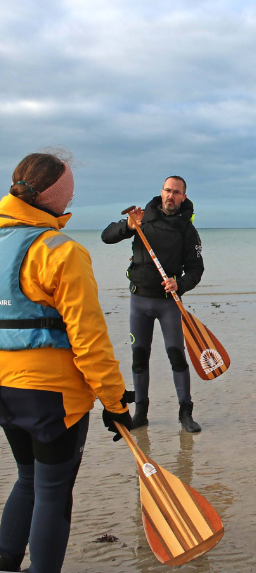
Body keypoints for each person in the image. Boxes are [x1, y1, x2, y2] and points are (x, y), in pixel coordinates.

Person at [0, 152, 133, 573]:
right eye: (70, 189)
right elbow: (89, 340)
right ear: (56, 195)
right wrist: (115, 402)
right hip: (51, 398)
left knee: (28, 478)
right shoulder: (62, 250)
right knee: (53, 490)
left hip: (4, 390)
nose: (73, 196)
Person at [101, 176, 203, 433]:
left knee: (176, 356)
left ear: (183, 197)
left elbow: (196, 269)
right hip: (139, 301)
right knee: (139, 358)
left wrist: (180, 284)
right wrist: (128, 226)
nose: (171, 196)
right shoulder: (141, 218)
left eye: (176, 192)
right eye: (168, 190)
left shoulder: (187, 230)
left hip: (169, 303)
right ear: (161, 192)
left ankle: (185, 413)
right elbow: (106, 236)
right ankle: (141, 413)